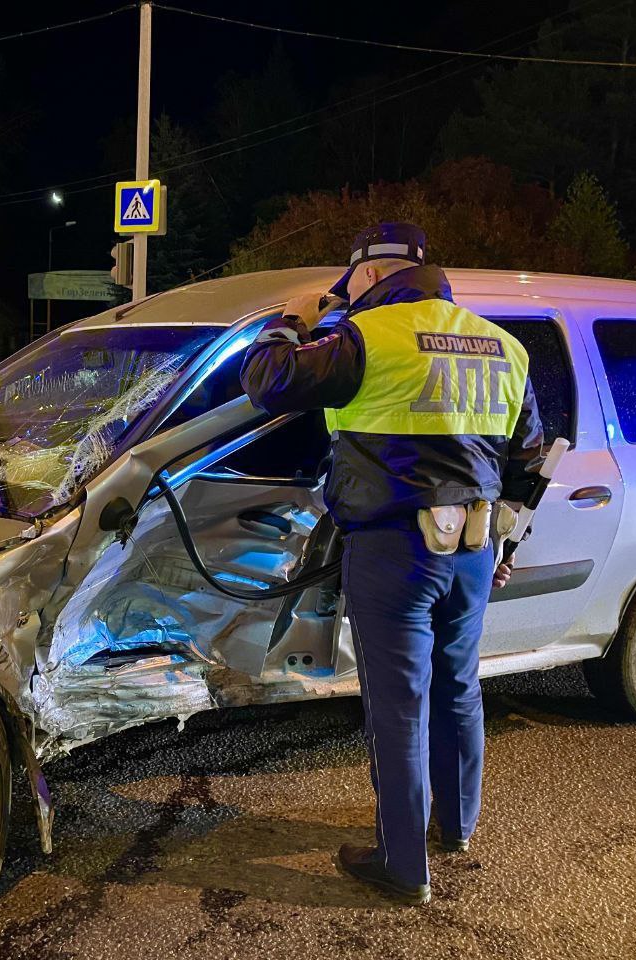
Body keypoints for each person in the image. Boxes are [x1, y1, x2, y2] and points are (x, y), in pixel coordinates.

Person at [240, 222, 544, 905]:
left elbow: (269, 381)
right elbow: (529, 461)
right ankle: (456, 828)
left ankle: (402, 866)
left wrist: (290, 320)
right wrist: (509, 547)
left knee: (398, 704)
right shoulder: (505, 347)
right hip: (473, 547)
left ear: (369, 276)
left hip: (395, 549)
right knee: (459, 687)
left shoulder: (364, 338)